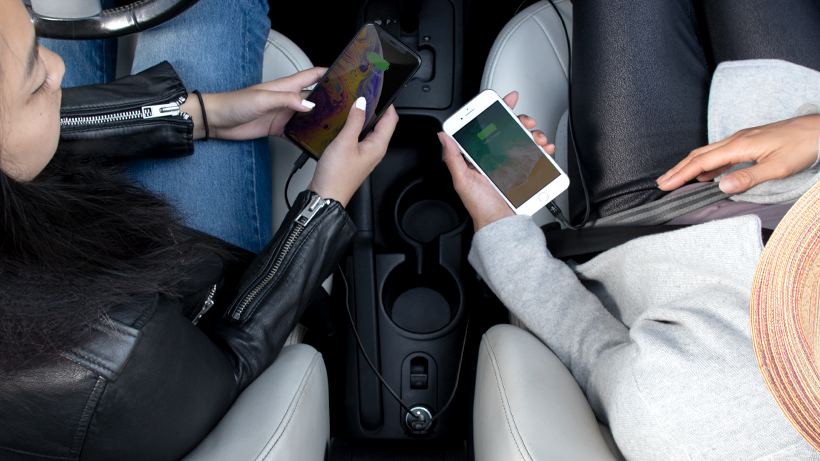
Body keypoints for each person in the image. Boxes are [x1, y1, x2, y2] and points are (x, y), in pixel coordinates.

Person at [0, 0, 398, 459]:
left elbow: (31, 133)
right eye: (34, 84)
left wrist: (201, 113)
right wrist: (324, 203)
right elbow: (229, 362)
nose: (57, 65)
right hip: (182, 328)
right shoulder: (110, 360)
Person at [438, 0, 820, 459]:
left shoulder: (679, 421)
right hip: (801, 160)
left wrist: (497, 225)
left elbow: (581, 334)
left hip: (650, 208)